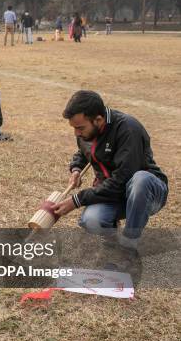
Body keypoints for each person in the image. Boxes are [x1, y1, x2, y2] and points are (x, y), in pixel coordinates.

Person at [53, 91, 167, 259]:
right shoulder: (87, 131)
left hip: (146, 193)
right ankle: (113, 246)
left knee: (140, 180)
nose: (76, 133)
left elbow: (122, 180)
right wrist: (76, 168)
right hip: (113, 194)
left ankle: (128, 247)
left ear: (98, 120)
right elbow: (84, 151)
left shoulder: (128, 129)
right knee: (91, 220)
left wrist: (77, 200)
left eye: (79, 128)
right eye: (74, 128)